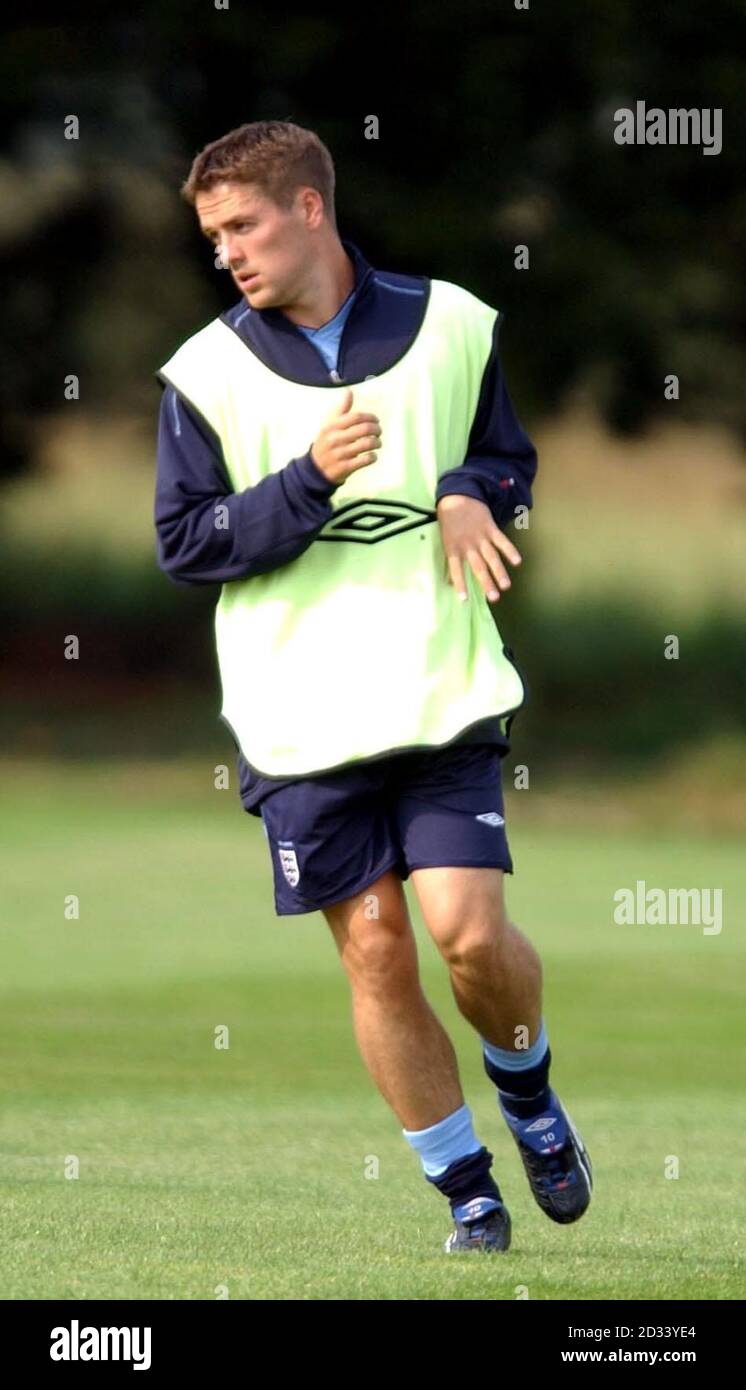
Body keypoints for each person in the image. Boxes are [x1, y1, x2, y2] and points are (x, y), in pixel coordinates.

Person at [154, 119, 592, 1253]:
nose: (228, 255)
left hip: (437, 685)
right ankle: (469, 1196)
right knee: (378, 950)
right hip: (294, 719)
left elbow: (506, 460)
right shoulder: (204, 372)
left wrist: (468, 491)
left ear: (310, 209)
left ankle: (529, 1091)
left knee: (464, 933)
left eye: (242, 226)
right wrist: (303, 483)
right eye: (213, 239)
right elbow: (187, 542)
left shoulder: (452, 323)